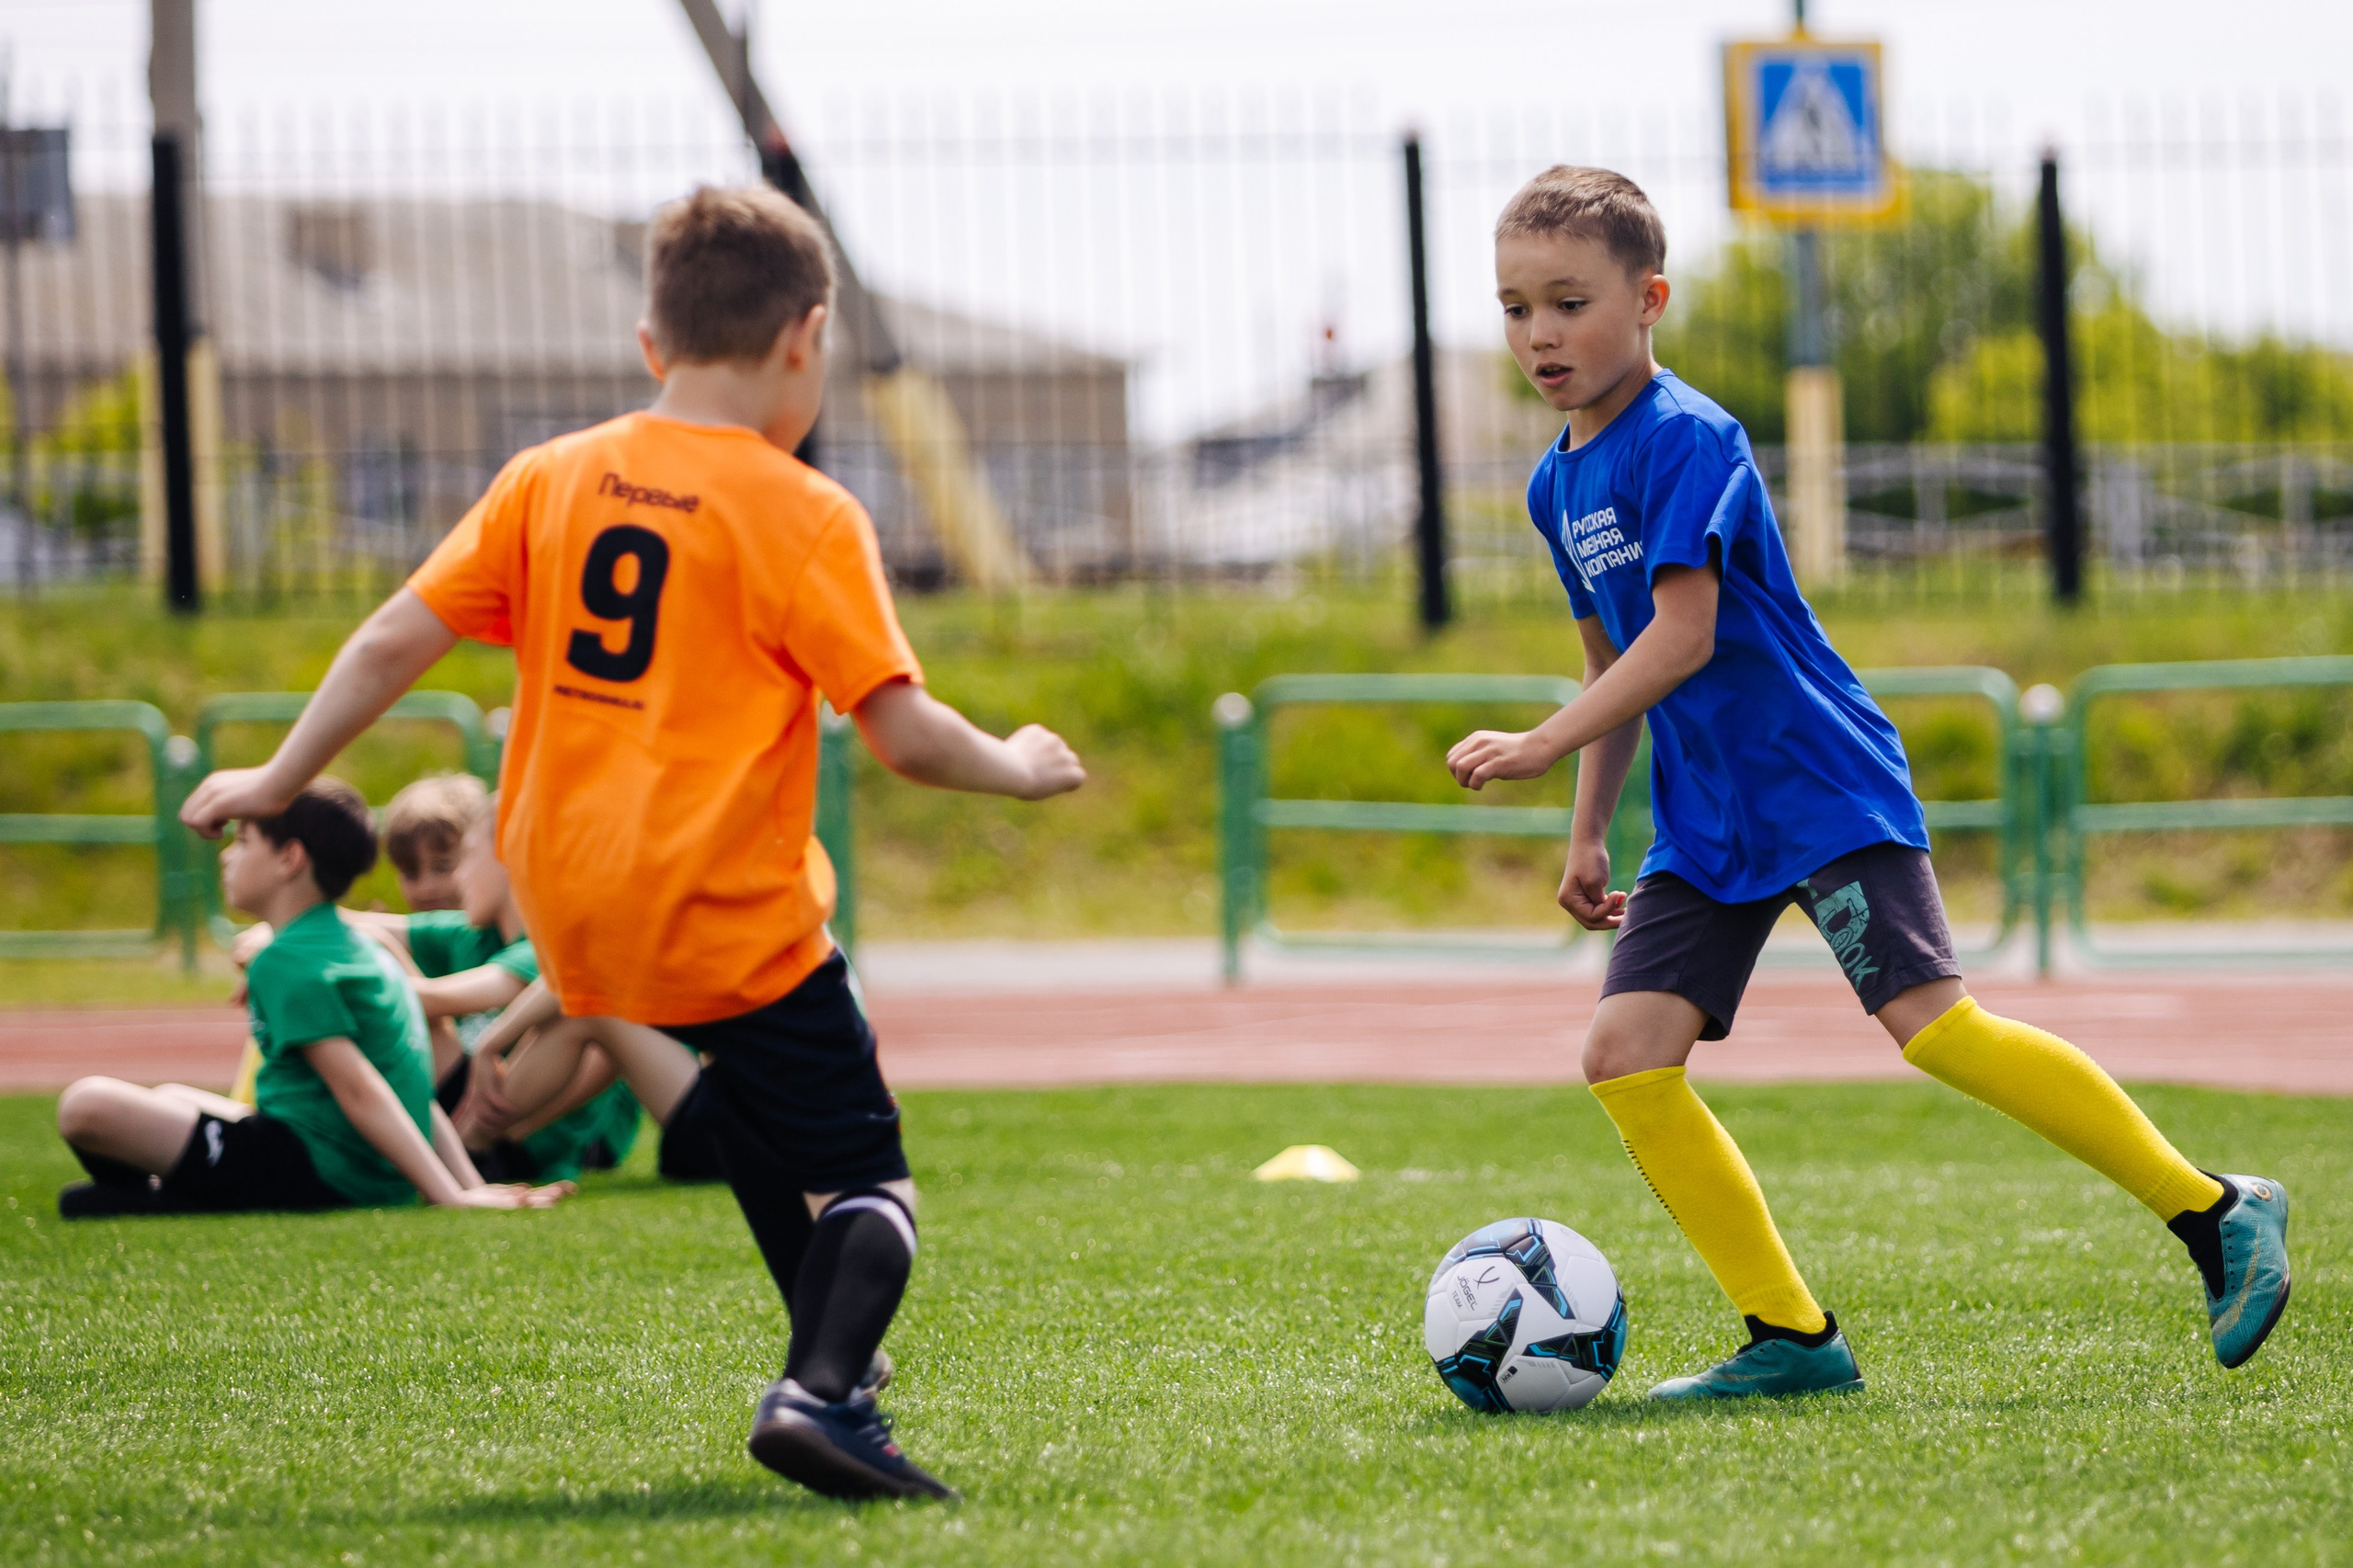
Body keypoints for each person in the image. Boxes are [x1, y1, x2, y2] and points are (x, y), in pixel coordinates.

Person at [178, 184, 1086, 1499]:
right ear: (806, 339)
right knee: (874, 1185)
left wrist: (279, 768)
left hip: (571, 902)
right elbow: (901, 731)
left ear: (652, 345)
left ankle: (834, 1378)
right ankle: (821, 1392)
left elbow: (391, 639)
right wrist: (1018, 764)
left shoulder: (549, 477)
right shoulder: (803, 511)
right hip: (724, 902)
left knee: (763, 1133)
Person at [1444, 165, 2290, 1400]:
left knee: (1933, 1030)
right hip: (1707, 818)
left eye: (1568, 302)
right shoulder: (1553, 481)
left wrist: (1531, 745)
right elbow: (1610, 660)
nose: (1539, 334)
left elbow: (1681, 635)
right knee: (1626, 1053)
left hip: (1819, 785)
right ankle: (1793, 1336)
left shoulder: (1689, 438)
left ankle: (2214, 1208)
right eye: (1515, 308)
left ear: (1651, 299)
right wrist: (1584, 830)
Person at [56, 778, 569, 1219]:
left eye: (244, 840)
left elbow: (362, 1088)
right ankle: (161, 1194)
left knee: (86, 1105)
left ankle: (179, 1196)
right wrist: (464, 1184)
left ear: (290, 858)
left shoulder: (288, 960)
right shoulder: (357, 947)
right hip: (339, 1156)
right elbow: (407, 1083)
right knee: (169, 1095)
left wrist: (451, 1197)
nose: (228, 856)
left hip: (315, 1168)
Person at [224, 770, 486, 1106]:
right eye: (410, 873)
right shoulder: (424, 935)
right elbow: (353, 924)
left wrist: (294, 960)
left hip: (485, 1112)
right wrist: (281, 941)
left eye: (443, 866)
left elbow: (424, 996)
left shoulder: (487, 939)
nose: (426, 887)